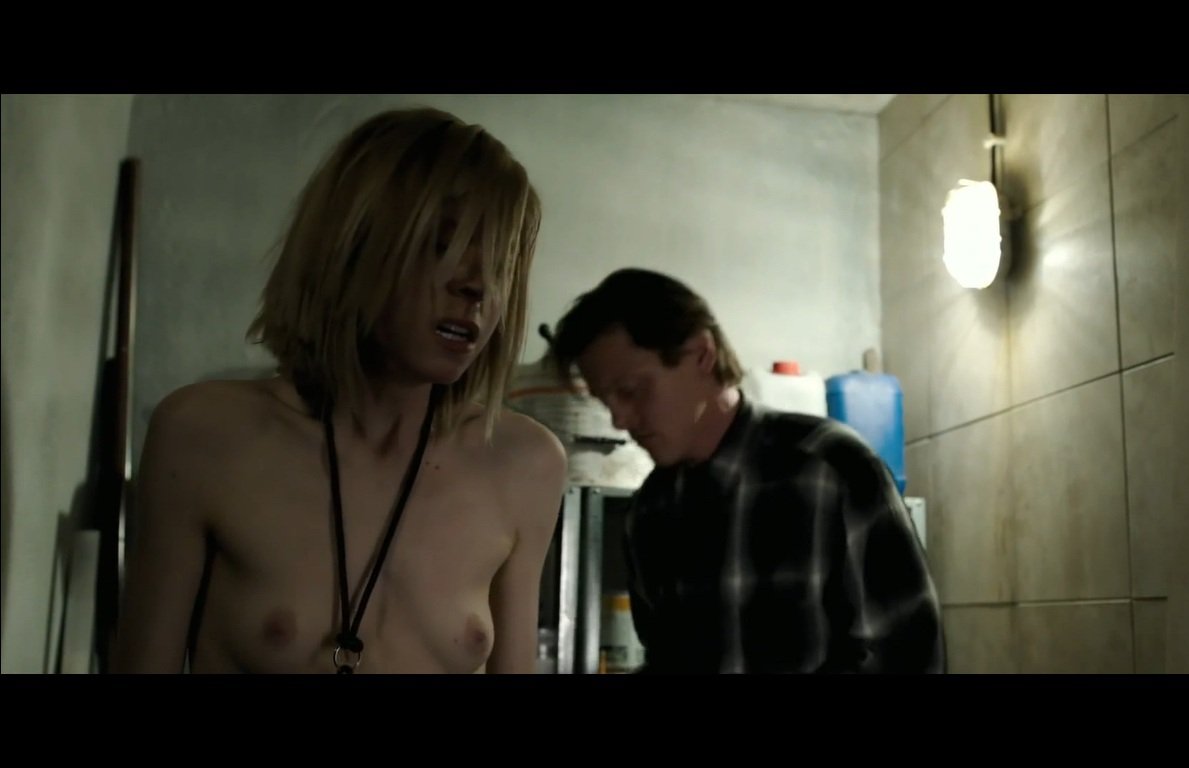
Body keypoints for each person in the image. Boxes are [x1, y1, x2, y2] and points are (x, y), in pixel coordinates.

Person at [109, 107, 566, 673]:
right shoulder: (206, 435)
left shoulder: (524, 463)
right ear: (354, 246)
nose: (476, 285)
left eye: (500, 262)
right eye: (442, 245)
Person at [549, 268, 944, 673]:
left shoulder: (829, 469)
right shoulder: (649, 512)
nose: (618, 420)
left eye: (631, 391)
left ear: (702, 353)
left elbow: (909, 656)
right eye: (606, 401)